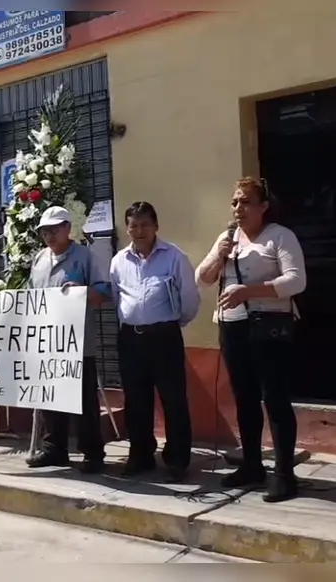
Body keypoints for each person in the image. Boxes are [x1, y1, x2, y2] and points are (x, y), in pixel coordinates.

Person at [195, 177, 307, 503]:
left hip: (270, 325)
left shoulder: (280, 237)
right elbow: (201, 278)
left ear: (263, 206)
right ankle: (253, 465)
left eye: (245, 202)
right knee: (244, 397)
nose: (238, 208)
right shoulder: (227, 238)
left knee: (275, 398)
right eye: (234, 202)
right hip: (233, 326)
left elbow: (296, 280)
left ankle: (284, 473)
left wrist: (250, 291)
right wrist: (220, 256)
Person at [109, 202, 201, 481]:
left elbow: (190, 300)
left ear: (156, 226)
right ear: (127, 229)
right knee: (136, 401)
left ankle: (176, 460)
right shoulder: (118, 261)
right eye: (133, 225)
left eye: (145, 224)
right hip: (131, 339)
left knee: (173, 399)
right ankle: (140, 456)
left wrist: (171, 323)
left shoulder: (174, 257)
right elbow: (117, 298)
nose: (139, 231)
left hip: (165, 338)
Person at [24, 206, 108, 474]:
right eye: (44, 231)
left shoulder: (85, 256)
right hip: (47, 341)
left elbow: (104, 292)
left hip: (78, 342)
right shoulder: (39, 259)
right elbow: (30, 294)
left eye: (54, 229)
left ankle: (93, 453)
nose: (49, 235)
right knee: (51, 397)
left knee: (83, 400)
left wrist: (80, 292)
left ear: (67, 229)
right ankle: (54, 449)